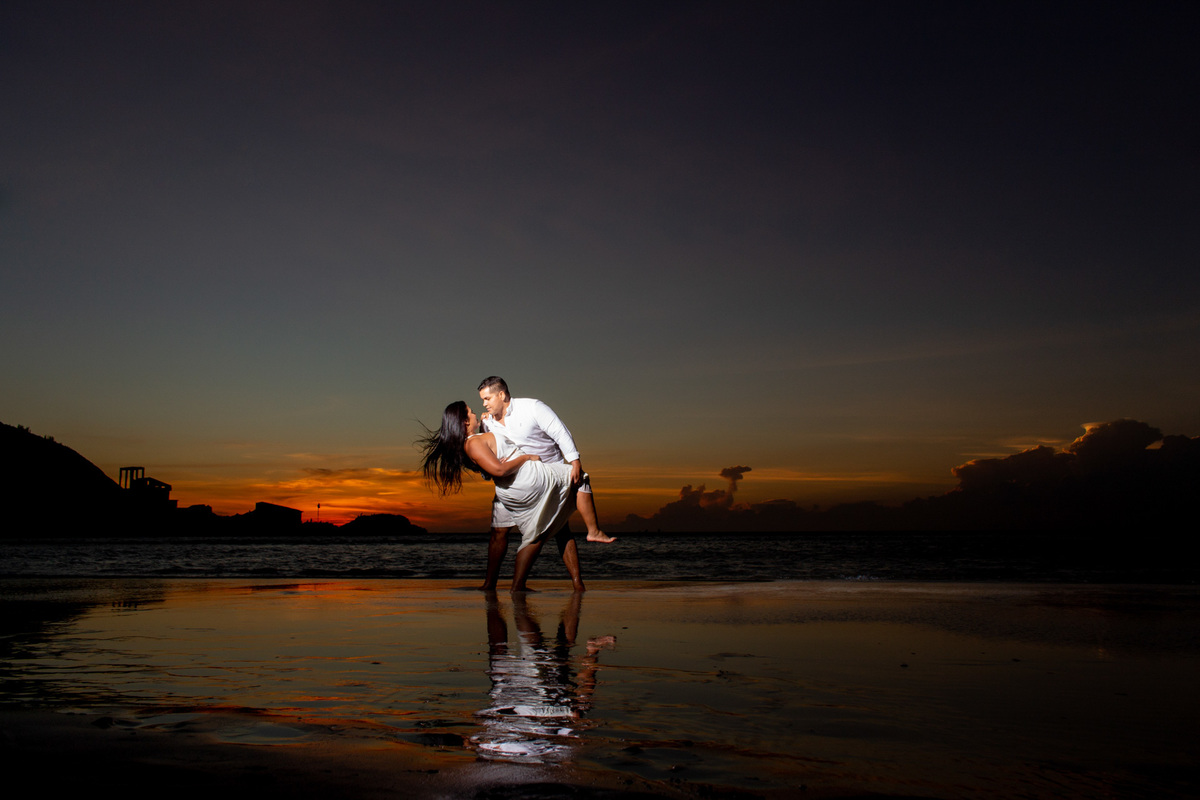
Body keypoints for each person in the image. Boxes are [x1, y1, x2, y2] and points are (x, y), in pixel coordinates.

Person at [419, 401, 606, 591]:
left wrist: (487, 430)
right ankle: (592, 532)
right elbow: (498, 470)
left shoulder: (480, 435)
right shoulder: (474, 443)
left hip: (514, 484)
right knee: (577, 480)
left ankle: (521, 585)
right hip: (521, 481)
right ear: (465, 422)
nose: (479, 410)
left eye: (486, 401)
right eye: (471, 411)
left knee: (536, 534)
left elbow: (492, 462)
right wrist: (526, 457)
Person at [477, 377, 615, 591]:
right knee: (498, 531)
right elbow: (485, 453)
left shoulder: (532, 407)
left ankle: (578, 585)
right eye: (482, 400)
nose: (484, 404)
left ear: (502, 395)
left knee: (562, 530)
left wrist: (575, 460)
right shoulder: (488, 423)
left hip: (550, 475)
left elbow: (560, 432)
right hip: (513, 482)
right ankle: (489, 585)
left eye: (487, 398)